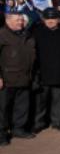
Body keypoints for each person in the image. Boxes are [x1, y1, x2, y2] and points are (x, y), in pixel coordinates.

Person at [32, 8, 60, 132]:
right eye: (48, 18)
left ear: (58, 19)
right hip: (42, 73)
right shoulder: (37, 32)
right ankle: (39, 123)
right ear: (44, 19)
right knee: (41, 102)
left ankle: (57, 121)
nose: (50, 21)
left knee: (58, 100)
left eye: (53, 18)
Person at [0, 11, 37, 145]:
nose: (21, 22)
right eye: (17, 20)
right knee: (3, 109)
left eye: (22, 20)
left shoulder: (27, 35)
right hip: (6, 79)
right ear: (8, 20)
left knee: (21, 107)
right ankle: (2, 134)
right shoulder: (2, 35)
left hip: (25, 77)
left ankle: (18, 129)